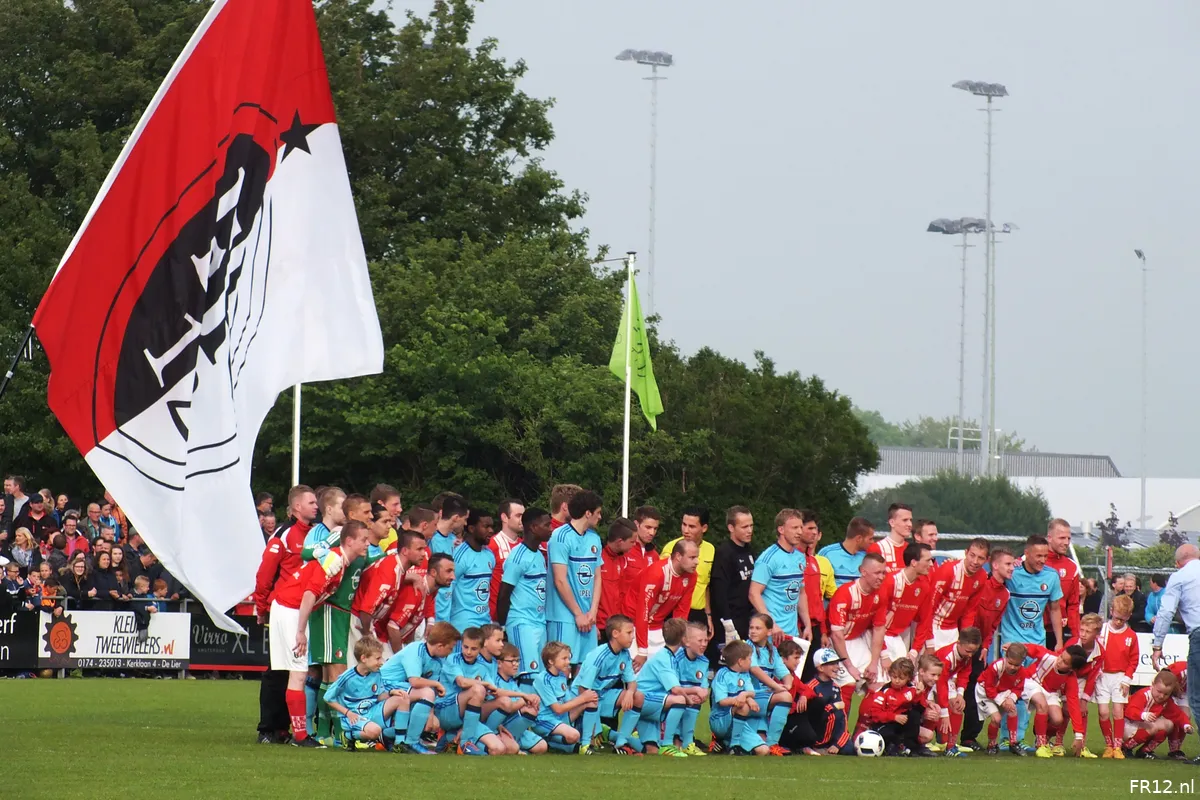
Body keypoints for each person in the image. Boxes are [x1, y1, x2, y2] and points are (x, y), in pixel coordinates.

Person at [252, 485, 321, 746]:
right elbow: (265, 573)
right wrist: (262, 607)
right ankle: (269, 728)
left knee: (296, 669)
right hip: (285, 607)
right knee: (279, 670)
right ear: (296, 508)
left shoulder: (317, 534)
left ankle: (287, 727)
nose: (316, 506)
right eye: (311, 502)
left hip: (305, 608)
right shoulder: (284, 534)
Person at [957, 546, 1014, 750]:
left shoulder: (1005, 594)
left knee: (977, 691)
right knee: (952, 687)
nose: (1012, 568)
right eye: (1008, 564)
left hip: (980, 647)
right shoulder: (980, 585)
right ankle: (941, 735)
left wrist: (985, 646)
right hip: (962, 641)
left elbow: (993, 625)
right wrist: (964, 642)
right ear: (995, 565)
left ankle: (969, 737)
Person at [379, 620, 460, 754]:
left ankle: (387, 734)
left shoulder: (438, 661)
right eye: (450, 648)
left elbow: (430, 691)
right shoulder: (415, 649)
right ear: (440, 646)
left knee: (433, 721)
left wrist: (431, 714)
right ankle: (412, 742)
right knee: (427, 693)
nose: (450, 652)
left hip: (403, 691)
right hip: (384, 687)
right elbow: (415, 681)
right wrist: (437, 684)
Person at [496, 507, 554, 686]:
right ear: (533, 527)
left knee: (541, 675)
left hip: (538, 622)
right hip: (521, 622)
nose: (551, 529)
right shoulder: (517, 557)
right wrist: (503, 628)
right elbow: (503, 595)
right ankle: (523, 713)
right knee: (528, 675)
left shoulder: (538, 554)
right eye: (547, 525)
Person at [1152, 546, 1200, 762]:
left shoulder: (1179, 577)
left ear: (1179, 562)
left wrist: (1157, 645)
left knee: (1197, 698)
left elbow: (1166, 612)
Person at [546, 490, 603, 668]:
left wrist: (593, 612)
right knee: (562, 666)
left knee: (586, 667)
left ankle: (582, 697)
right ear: (588, 513)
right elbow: (560, 580)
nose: (600, 517)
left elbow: (598, 577)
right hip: (565, 616)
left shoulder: (594, 538)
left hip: (588, 616)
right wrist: (578, 614)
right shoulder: (560, 536)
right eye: (598, 512)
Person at [572, 614, 642, 754]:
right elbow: (582, 689)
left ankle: (621, 742)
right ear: (615, 634)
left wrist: (629, 692)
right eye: (629, 633)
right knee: (592, 698)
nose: (632, 637)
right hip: (582, 698)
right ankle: (587, 743)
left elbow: (632, 682)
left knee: (638, 696)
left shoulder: (625, 654)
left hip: (602, 696)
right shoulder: (598, 656)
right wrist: (594, 721)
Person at [352, 529, 425, 662]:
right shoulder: (390, 572)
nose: (423, 554)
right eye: (419, 549)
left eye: (424, 549)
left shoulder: (397, 567)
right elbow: (366, 609)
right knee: (360, 668)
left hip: (364, 620)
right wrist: (368, 634)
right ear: (404, 551)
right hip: (358, 620)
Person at [749, 509, 812, 657]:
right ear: (781, 529)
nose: (799, 532)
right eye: (794, 528)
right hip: (772, 632)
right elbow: (753, 593)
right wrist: (772, 624)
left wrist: (807, 624)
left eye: (801, 527)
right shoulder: (768, 558)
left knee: (790, 678)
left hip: (792, 633)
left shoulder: (799, 557)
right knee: (771, 677)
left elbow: (801, 592)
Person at [324, 637, 408, 749]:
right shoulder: (347, 677)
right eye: (377, 658)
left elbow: (378, 697)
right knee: (375, 731)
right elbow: (328, 698)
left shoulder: (376, 673)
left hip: (371, 711)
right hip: (354, 715)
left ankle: (400, 743)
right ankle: (348, 736)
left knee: (403, 698)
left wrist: (392, 692)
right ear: (363, 658)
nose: (381, 662)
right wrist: (348, 713)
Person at [828, 552, 888, 707]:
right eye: (877, 573)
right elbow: (836, 635)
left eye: (883, 573)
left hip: (857, 639)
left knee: (878, 686)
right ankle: (841, 731)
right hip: (836, 643)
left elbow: (879, 629)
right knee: (846, 687)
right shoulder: (845, 594)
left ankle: (866, 730)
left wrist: (874, 662)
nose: (881, 577)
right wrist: (850, 667)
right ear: (863, 572)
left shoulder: (880, 593)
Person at [436, 626, 508, 755]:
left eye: (474, 649)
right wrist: (484, 683)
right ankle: (465, 743)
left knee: (499, 749)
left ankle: (449, 739)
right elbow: (462, 682)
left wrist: (523, 696)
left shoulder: (482, 667)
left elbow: (495, 692)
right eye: (465, 647)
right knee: (478, 690)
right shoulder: (453, 659)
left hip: (466, 718)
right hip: (446, 710)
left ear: (481, 649)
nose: (468, 652)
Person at [631, 617, 696, 757]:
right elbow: (675, 689)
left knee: (651, 750)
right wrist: (690, 697)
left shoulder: (669, 655)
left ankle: (611, 734)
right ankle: (667, 744)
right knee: (679, 700)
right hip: (646, 700)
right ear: (682, 638)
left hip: (652, 700)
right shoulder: (664, 658)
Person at [632, 539, 699, 667]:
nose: (697, 562)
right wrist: (642, 650)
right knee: (637, 675)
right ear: (678, 556)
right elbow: (643, 610)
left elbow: (682, 612)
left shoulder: (692, 576)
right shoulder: (656, 572)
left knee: (662, 671)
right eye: (692, 557)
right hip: (634, 624)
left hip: (657, 626)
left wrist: (678, 639)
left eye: (697, 557)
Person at [780, 648, 856, 755]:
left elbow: (842, 717)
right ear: (820, 667)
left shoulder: (836, 687)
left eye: (837, 663)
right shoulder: (811, 686)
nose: (837, 667)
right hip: (813, 732)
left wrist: (838, 744)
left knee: (850, 750)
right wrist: (831, 707)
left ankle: (829, 745)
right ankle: (812, 745)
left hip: (832, 737)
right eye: (832, 664)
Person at [919, 537, 989, 653]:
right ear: (966, 553)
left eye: (980, 558)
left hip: (953, 631)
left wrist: (965, 638)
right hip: (934, 626)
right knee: (929, 669)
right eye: (972, 555)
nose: (975, 561)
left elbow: (970, 611)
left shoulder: (982, 577)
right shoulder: (949, 570)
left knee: (951, 670)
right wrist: (929, 640)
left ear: (987, 560)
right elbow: (928, 607)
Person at [1022, 643, 1088, 757]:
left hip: (1050, 693)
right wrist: (1015, 646)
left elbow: (1073, 705)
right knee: (1042, 705)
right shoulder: (1048, 657)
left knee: (1057, 720)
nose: (1059, 661)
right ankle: (1041, 744)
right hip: (1032, 681)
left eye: (1065, 662)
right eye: (1061, 656)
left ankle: (1042, 735)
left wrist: (1079, 735)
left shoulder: (1071, 679)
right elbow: (1033, 649)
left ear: (1072, 668)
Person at [875, 542, 934, 671]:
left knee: (902, 677)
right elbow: (875, 619)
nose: (931, 564)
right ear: (914, 562)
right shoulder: (890, 582)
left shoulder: (924, 587)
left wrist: (914, 651)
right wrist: (883, 653)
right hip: (878, 636)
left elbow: (925, 621)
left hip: (897, 637)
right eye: (928, 560)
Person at [857, 657, 931, 757]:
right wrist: (894, 717)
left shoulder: (912, 689)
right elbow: (875, 713)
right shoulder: (884, 691)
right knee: (888, 734)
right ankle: (894, 747)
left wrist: (919, 694)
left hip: (901, 722)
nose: (896, 681)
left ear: (909, 678)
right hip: (885, 723)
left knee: (914, 715)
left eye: (901, 678)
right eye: (894, 677)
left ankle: (912, 747)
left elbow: (920, 709)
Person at [382, 553, 454, 654]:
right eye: (448, 571)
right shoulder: (416, 592)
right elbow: (392, 627)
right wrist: (400, 657)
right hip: (383, 642)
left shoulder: (432, 590)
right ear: (433, 572)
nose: (453, 577)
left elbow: (410, 623)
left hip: (394, 642)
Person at [709, 505, 756, 657]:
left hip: (747, 618)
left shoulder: (750, 550)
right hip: (730, 621)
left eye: (751, 526)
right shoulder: (724, 553)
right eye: (744, 527)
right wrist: (727, 623)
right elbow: (719, 591)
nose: (749, 530)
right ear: (731, 527)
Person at [1096, 593, 1139, 758]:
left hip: (1120, 677)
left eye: (1122, 619)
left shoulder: (1131, 636)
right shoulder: (1103, 630)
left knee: (1118, 712)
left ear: (1128, 616)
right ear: (1111, 611)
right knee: (1103, 712)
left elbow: (1134, 660)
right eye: (1116, 618)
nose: (1118, 622)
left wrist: (1127, 679)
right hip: (1102, 676)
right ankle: (1108, 744)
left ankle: (1117, 746)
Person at [661, 507, 716, 638]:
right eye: (684, 524)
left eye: (691, 526)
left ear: (704, 528)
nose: (686, 530)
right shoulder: (671, 548)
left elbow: (706, 585)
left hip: (698, 613)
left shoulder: (711, 549)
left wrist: (708, 615)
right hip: (673, 611)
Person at [746, 613, 796, 754]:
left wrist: (787, 685)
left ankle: (768, 743)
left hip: (763, 698)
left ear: (769, 632)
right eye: (751, 628)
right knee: (785, 697)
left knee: (761, 746)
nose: (753, 631)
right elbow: (754, 669)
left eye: (758, 628)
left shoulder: (772, 650)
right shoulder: (746, 647)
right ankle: (773, 743)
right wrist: (777, 688)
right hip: (749, 697)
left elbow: (785, 673)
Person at [709, 639, 769, 755]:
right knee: (744, 706)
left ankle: (725, 744)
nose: (751, 662)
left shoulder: (744, 674)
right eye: (750, 659)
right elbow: (722, 701)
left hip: (737, 723)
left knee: (763, 751)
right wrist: (740, 700)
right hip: (720, 720)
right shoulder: (722, 675)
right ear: (741, 661)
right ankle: (734, 746)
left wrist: (745, 695)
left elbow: (751, 692)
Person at [532, 640, 595, 753]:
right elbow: (558, 709)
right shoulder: (542, 679)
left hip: (561, 718)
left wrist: (585, 699)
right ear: (551, 661)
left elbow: (569, 702)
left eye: (568, 658)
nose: (568, 662)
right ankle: (549, 740)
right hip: (545, 720)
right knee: (574, 735)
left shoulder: (561, 675)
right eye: (564, 658)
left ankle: (586, 744)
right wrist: (582, 698)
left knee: (591, 701)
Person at [933, 626, 983, 756]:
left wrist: (960, 694)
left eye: (973, 651)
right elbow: (940, 684)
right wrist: (944, 714)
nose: (970, 655)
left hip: (946, 680)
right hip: (932, 680)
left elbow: (965, 673)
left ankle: (951, 745)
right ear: (958, 643)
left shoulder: (966, 654)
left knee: (957, 706)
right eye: (968, 651)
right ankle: (930, 741)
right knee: (933, 710)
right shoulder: (947, 657)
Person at [1121, 669, 1191, 759]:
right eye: (1159, 691)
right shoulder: (1144, 695)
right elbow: (1129, 711)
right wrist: (1143, 715)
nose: (1162, 696)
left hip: (1140, 725)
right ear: (1153, 685)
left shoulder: (1166, 702)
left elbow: (1178, 715)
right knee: (1153, 727)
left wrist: (1186, 725)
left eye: (1166, 694)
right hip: (1128, 724)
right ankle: (1125, 748)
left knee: (1169, 724)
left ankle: (1145, 751)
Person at [448, 510, 497, 632]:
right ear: (471, 528)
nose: (491, 531)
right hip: (463, 623)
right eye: (486, 526)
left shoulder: (489, 555)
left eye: (491, 526)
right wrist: (443, 621)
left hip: (485, 620)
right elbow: (447, 589)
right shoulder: (459, 556)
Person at [976, 642, 1027, 755]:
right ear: (1005, 657)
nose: (1013, 667)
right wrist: (1002, 701)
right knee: (996, 719)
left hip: (1001, 691)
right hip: (984, 692)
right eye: (1010, 663)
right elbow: (989, 688)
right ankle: (991, 744)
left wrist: (1011, 699)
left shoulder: (1022, 672)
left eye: (1016, 665)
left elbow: (1018, 688)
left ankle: (1013, 743)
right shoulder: (996, 667)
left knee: (1012, 709)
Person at [430, 494, 468, 623]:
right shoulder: (431, 539)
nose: (466, 523)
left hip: (447, 611)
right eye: (464, 519)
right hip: (432, 612)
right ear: (456, 518)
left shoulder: (453, 540)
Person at [485, 499, 525, 620]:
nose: (522, 520)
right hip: (494, 617)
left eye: (524, 516)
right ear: (504, 517)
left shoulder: (524, 546)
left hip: (519, 614)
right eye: (518, 516)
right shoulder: (492, 545)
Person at [1045, 519, 1081, 644]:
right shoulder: (1030, 561)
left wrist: (1076, 636)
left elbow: (1073, 605)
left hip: (1060, 632)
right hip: (1032, 630)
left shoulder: (1072, 567)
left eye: (1068, 538)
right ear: (1049, 538)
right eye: (1061, 538)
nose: (1066, 543)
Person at [597, 517, 636, 634]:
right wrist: (593, 623)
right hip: (598, 626)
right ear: (620, 541)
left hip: (616, 626)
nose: (634, 545)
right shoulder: (597, 557)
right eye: (632, 542)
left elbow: (623, 594)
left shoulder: (623, 560)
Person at [819, 516, 874, 588]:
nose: (873, 542)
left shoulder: (867, 558)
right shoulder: (827, 553)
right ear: (859, 538)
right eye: (870, 539)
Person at [867, 503, 913, 572]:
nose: (910, 524)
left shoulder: (912, 549)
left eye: (910, 520)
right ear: (892, 522)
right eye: (905, 520)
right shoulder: (877, 548)